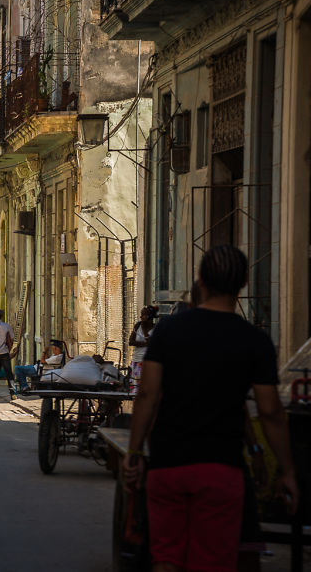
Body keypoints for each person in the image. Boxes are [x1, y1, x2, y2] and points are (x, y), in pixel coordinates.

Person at [122, 245, 298, 572]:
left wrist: (134, 451)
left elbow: (147, 395)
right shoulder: (254, 341)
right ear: (245, 281)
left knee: (166, 559)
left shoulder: (169, 331)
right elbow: (271, 413)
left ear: (200, 279)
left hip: (167, 465)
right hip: (221, 469)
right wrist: (287, 471)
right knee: (213, 562)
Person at [128, 305, 158, 394]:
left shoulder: (156, 328)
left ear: (150, 316)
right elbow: (131, 342)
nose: (141, 317)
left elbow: (153, 343)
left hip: (147, 361)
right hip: (136, 361)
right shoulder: (137, 326)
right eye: (141, 314)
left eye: (144, 314)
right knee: (135, 390)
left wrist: (145, 330)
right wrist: (145, 344)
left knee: (145, 390)